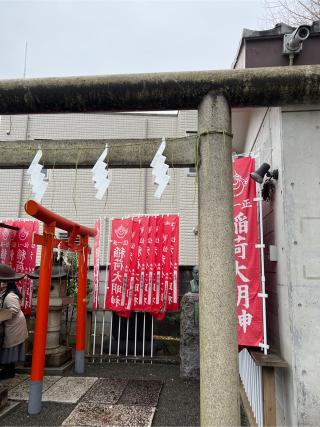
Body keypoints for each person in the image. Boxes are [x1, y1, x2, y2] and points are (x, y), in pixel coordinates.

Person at [0, 264, 28, 380]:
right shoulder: (5, 293)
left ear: (6, 283)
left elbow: (14, 310)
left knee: (10, 348)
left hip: (14, 325)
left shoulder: (10, 296)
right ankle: (8, 370)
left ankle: (9, 371)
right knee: (9, 348)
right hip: (12, 324)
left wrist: (2, 315)